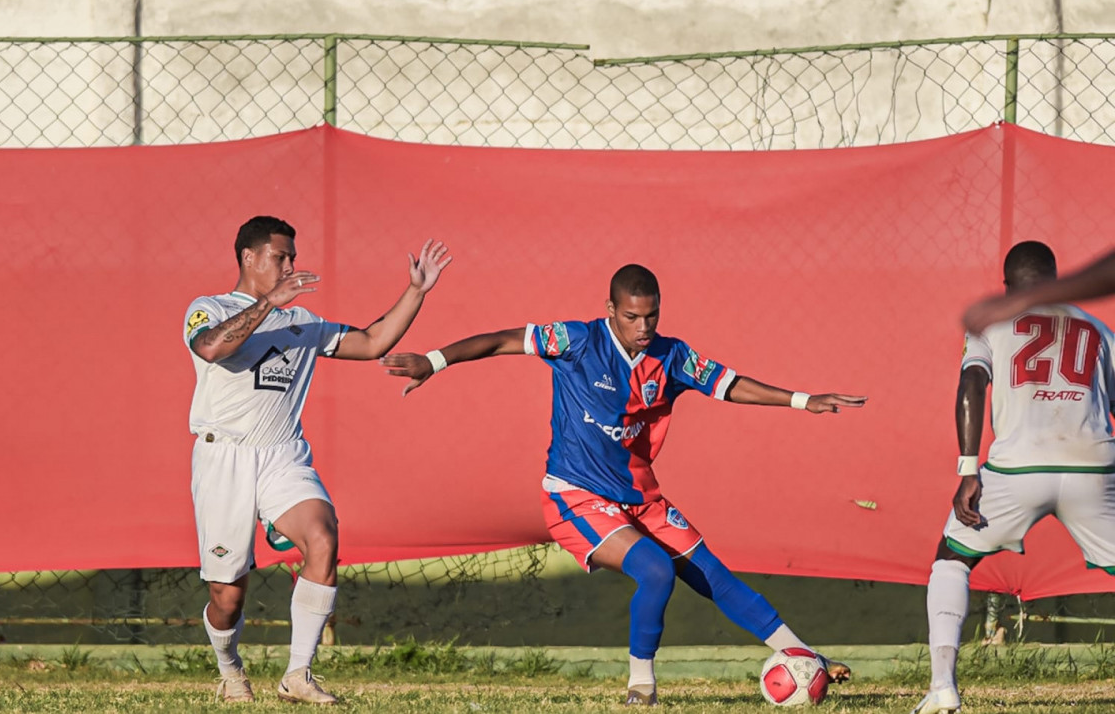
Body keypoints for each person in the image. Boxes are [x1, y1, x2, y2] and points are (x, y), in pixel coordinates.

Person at [381, 264, 865, 705]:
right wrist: (433, 361)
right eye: (633, 316)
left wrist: (803, 400)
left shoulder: (671, 356)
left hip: (641, 498)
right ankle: (641, 686)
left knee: (712, 575)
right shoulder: (575, 341)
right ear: (610, 309)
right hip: (577, 496)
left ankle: (803, 657)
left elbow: (729, 383)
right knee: (655, 570)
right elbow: (502, 340)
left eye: (651, 316)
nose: (643, 327)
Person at [183, 216, 451, 704]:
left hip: (283, 452)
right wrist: (268, 303)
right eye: (280, 257)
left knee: (323, 538)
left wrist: (416, 291)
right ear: (248, 257)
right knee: (227, 597)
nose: (291, 265)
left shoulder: (303, 323)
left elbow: (371, 342)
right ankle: (230, 670)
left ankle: (298, 675)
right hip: (224, 459)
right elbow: (210, 347)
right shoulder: (210, 308)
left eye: (292, 257)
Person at [913, 241, 1115, 714]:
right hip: (1093, 465)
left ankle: (943, 685)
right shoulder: (1100, 329)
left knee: (952, 560)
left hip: (1016, 468)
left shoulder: (995, 321)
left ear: (1007, 284)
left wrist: (968, 469)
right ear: (1056, 275)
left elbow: (971, 383)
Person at [963, 247, 1115, 334]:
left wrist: (1024, 299)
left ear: (1008, 287)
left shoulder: (991, 327)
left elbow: (971, 385)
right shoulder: (1099, 329)